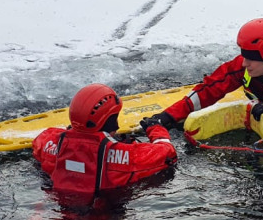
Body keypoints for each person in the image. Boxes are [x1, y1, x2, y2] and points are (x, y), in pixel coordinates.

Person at [32, 84, 178, 200]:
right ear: (110, 121)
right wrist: (155, 128)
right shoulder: (127, 155)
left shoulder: (50, 143)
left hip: (60, 208)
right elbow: (168, 153)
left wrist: (75, 132)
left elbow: (40, 140)